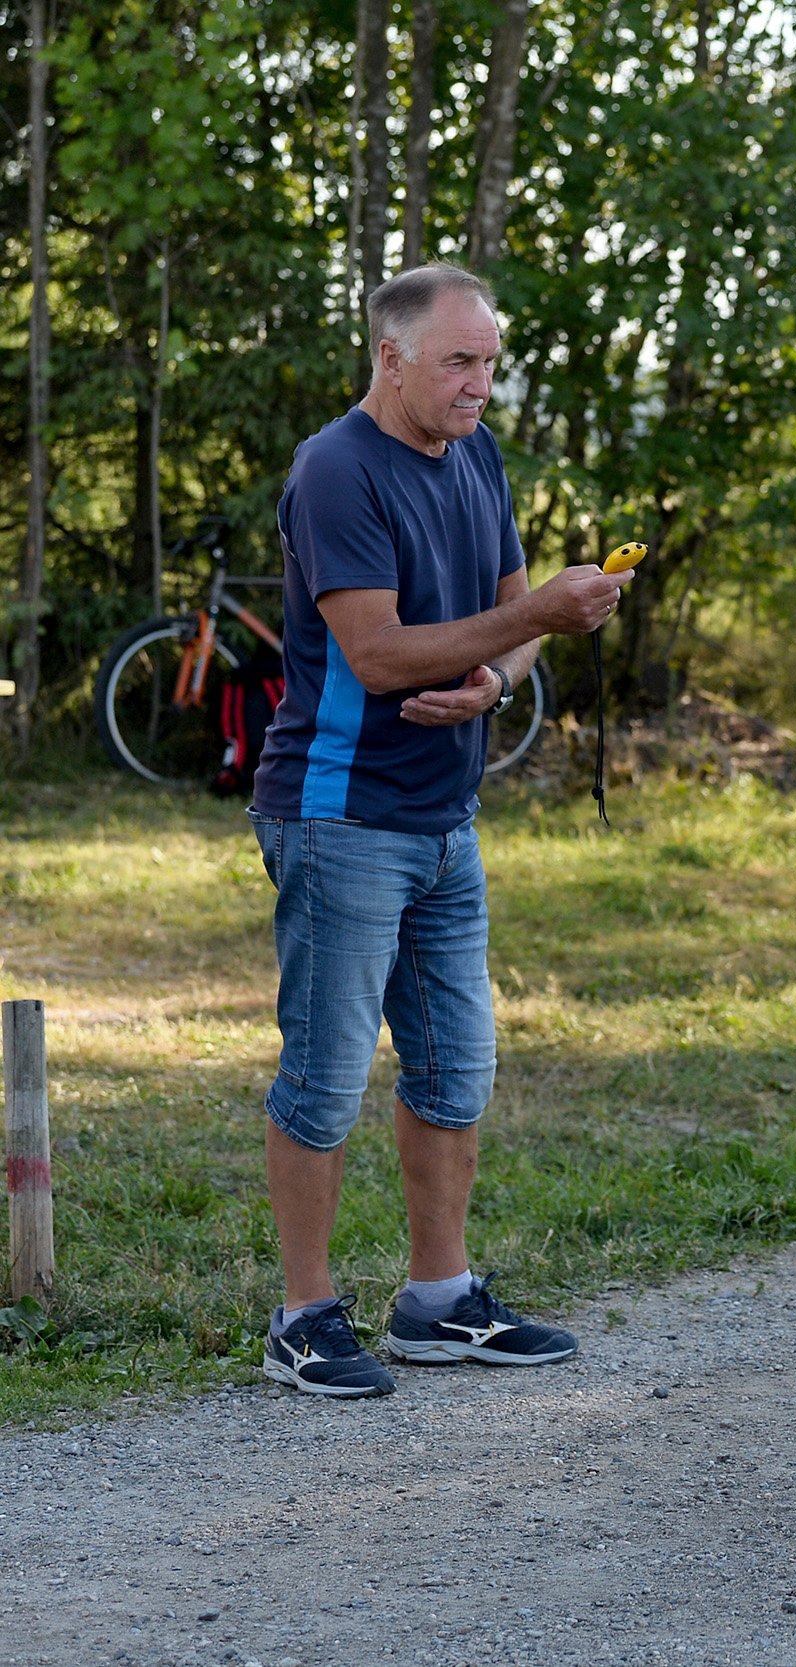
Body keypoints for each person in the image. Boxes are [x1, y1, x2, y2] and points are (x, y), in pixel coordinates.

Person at [249, 263, 631, 1397]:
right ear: (391, 357)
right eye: (459, 362)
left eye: (490, 363)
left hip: (443, 816)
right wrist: (534, 618)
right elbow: (375, 652)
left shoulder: (476, 454)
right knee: (323, 1078)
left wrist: (498, 681)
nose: (479, 385)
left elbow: (501, 630)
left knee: (457, 1067)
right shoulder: (334, 472)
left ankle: (437, 1300)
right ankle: (303, 1316)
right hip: (340, 814)